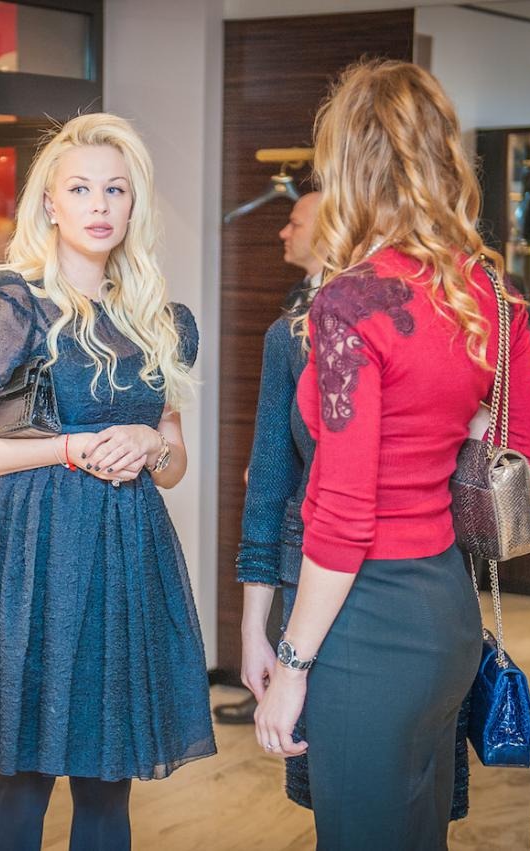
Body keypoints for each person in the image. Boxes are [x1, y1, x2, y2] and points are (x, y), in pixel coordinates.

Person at [253, 60, 530, 849]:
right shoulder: (488, 291)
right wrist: (459, 427)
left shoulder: (350, 302)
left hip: (365, 624)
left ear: (351, 166)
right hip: (447, 612)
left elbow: (343, 515)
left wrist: (292, 664)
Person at [0, 113, 216, 851]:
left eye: (115, 189)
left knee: (109, 783)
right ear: (50, 204)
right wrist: (68, 448)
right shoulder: (13, 305)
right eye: (80, 189)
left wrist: (151, 441)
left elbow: (174, 468)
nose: (99, 205)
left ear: (134, 204)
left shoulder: (161, 320)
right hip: (30, 558)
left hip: (122, 557)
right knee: (21, 782)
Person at [214, 190, 323, 729]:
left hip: (400, 575)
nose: (283, 232)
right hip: (309, 552)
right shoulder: (291, 330)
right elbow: (269, 475)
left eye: (295, 222)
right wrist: (253, 630)